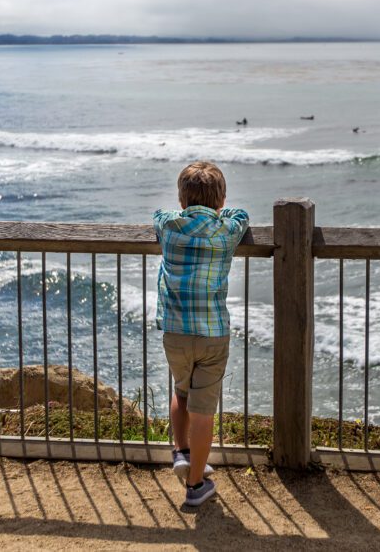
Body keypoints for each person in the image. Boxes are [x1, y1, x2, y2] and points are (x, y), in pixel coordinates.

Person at [154, 161, 249, 507]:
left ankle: (181, 452)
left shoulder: (168, 227)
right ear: (221, 199)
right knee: (204, 409)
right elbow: (242, 215)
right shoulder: (226, 232)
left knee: (181, 389)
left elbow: (158, 216)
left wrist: (183, 211)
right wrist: (221, 210)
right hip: (211, 333)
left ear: (181, 199)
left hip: (175, 330)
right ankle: (195, 485)